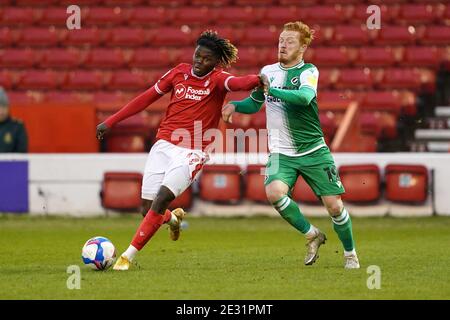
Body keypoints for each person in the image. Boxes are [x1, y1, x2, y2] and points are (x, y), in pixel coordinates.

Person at [96, 30, 264, 271]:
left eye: (206, 59)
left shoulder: (217, 79)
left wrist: (258, 79)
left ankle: (126, 257)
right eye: (197, 55)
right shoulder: (178, 72)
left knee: (162, 198)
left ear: (215, 62)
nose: (199, 61)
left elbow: (237, 83)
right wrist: (111, 121)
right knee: (147, 209)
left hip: (192, 152)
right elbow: (145, 98)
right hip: (163, 145)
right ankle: (172, 219)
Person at [222, 21, 360, 269]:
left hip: (314, 150)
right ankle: (312, 235)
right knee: (274, 193)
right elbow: (255, 102)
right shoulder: (267, 71)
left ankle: (350, 253)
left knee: (334, 206)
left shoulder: (309, 71)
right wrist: (234, 105)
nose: (283, 45)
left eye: (290, 41)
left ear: (303, 46)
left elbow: (305, 98)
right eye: (281, 41)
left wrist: (273, 91)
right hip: (281, 152)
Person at [0, 87, 28, 153]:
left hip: (11, 163)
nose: (1, 111)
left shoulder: (17, 126)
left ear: (8, 108)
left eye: (4, 106)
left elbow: (22, 151)